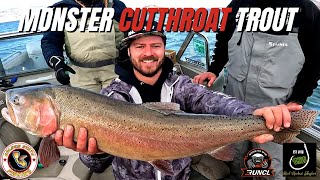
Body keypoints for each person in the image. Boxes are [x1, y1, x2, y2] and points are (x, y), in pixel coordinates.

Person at [53, 24, 302, 179]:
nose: (148, 52)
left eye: (156, 45)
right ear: (128, 51)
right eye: (140, 46)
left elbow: (214, 101)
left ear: (164, 49)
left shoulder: (181, 85)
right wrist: (92, 153)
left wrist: (254, 115)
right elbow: (95, 165)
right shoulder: (110, 97)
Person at [193, 0, 320, 179]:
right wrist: (214, 69)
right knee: (235, 154)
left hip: (276, 106)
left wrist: (298, 98)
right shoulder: (236, 5)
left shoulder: (307, 10)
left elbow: (315, 61)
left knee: (270, 162)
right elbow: (223, 42)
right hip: (234, 100)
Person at [41, 0, 126, 93]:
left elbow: (132, 34)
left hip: (116, 71)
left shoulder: (117, 6)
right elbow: (50, 41)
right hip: (81, 75)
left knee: (121, 104)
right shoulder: (60, 9)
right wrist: (57, 64)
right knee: (85, 106)